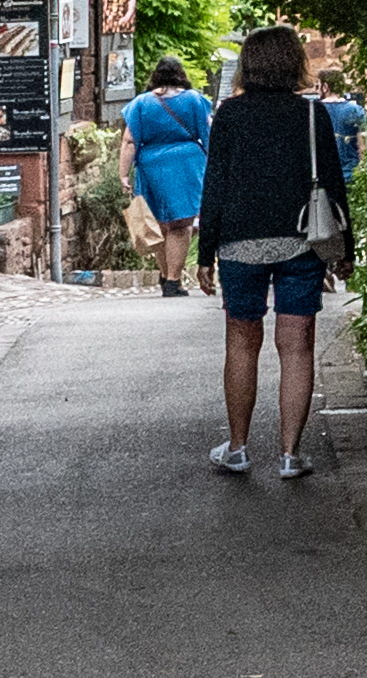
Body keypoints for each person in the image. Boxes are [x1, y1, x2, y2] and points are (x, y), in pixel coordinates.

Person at [196, 26, 354, 479]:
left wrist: (205, 253)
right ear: (294, 64)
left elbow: (216, 186)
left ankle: (239, 447)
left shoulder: (229, 115)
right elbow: (333, 186)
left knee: (242, 343)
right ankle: (289, 454)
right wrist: (347, 248)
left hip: (240, 241)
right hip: (300, 240)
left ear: (248, 64)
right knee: (297, 346)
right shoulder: (312, 116)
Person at [121, 57, 213, 299]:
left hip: (151, 165)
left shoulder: (141, 103)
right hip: (187, 164)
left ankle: (166, 275)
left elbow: (129, 141)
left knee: (160, 224)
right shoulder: (194, 100)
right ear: (181, 74)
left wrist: (123, 173)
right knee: (181, 225)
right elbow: (207, 133)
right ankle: (173, 280)